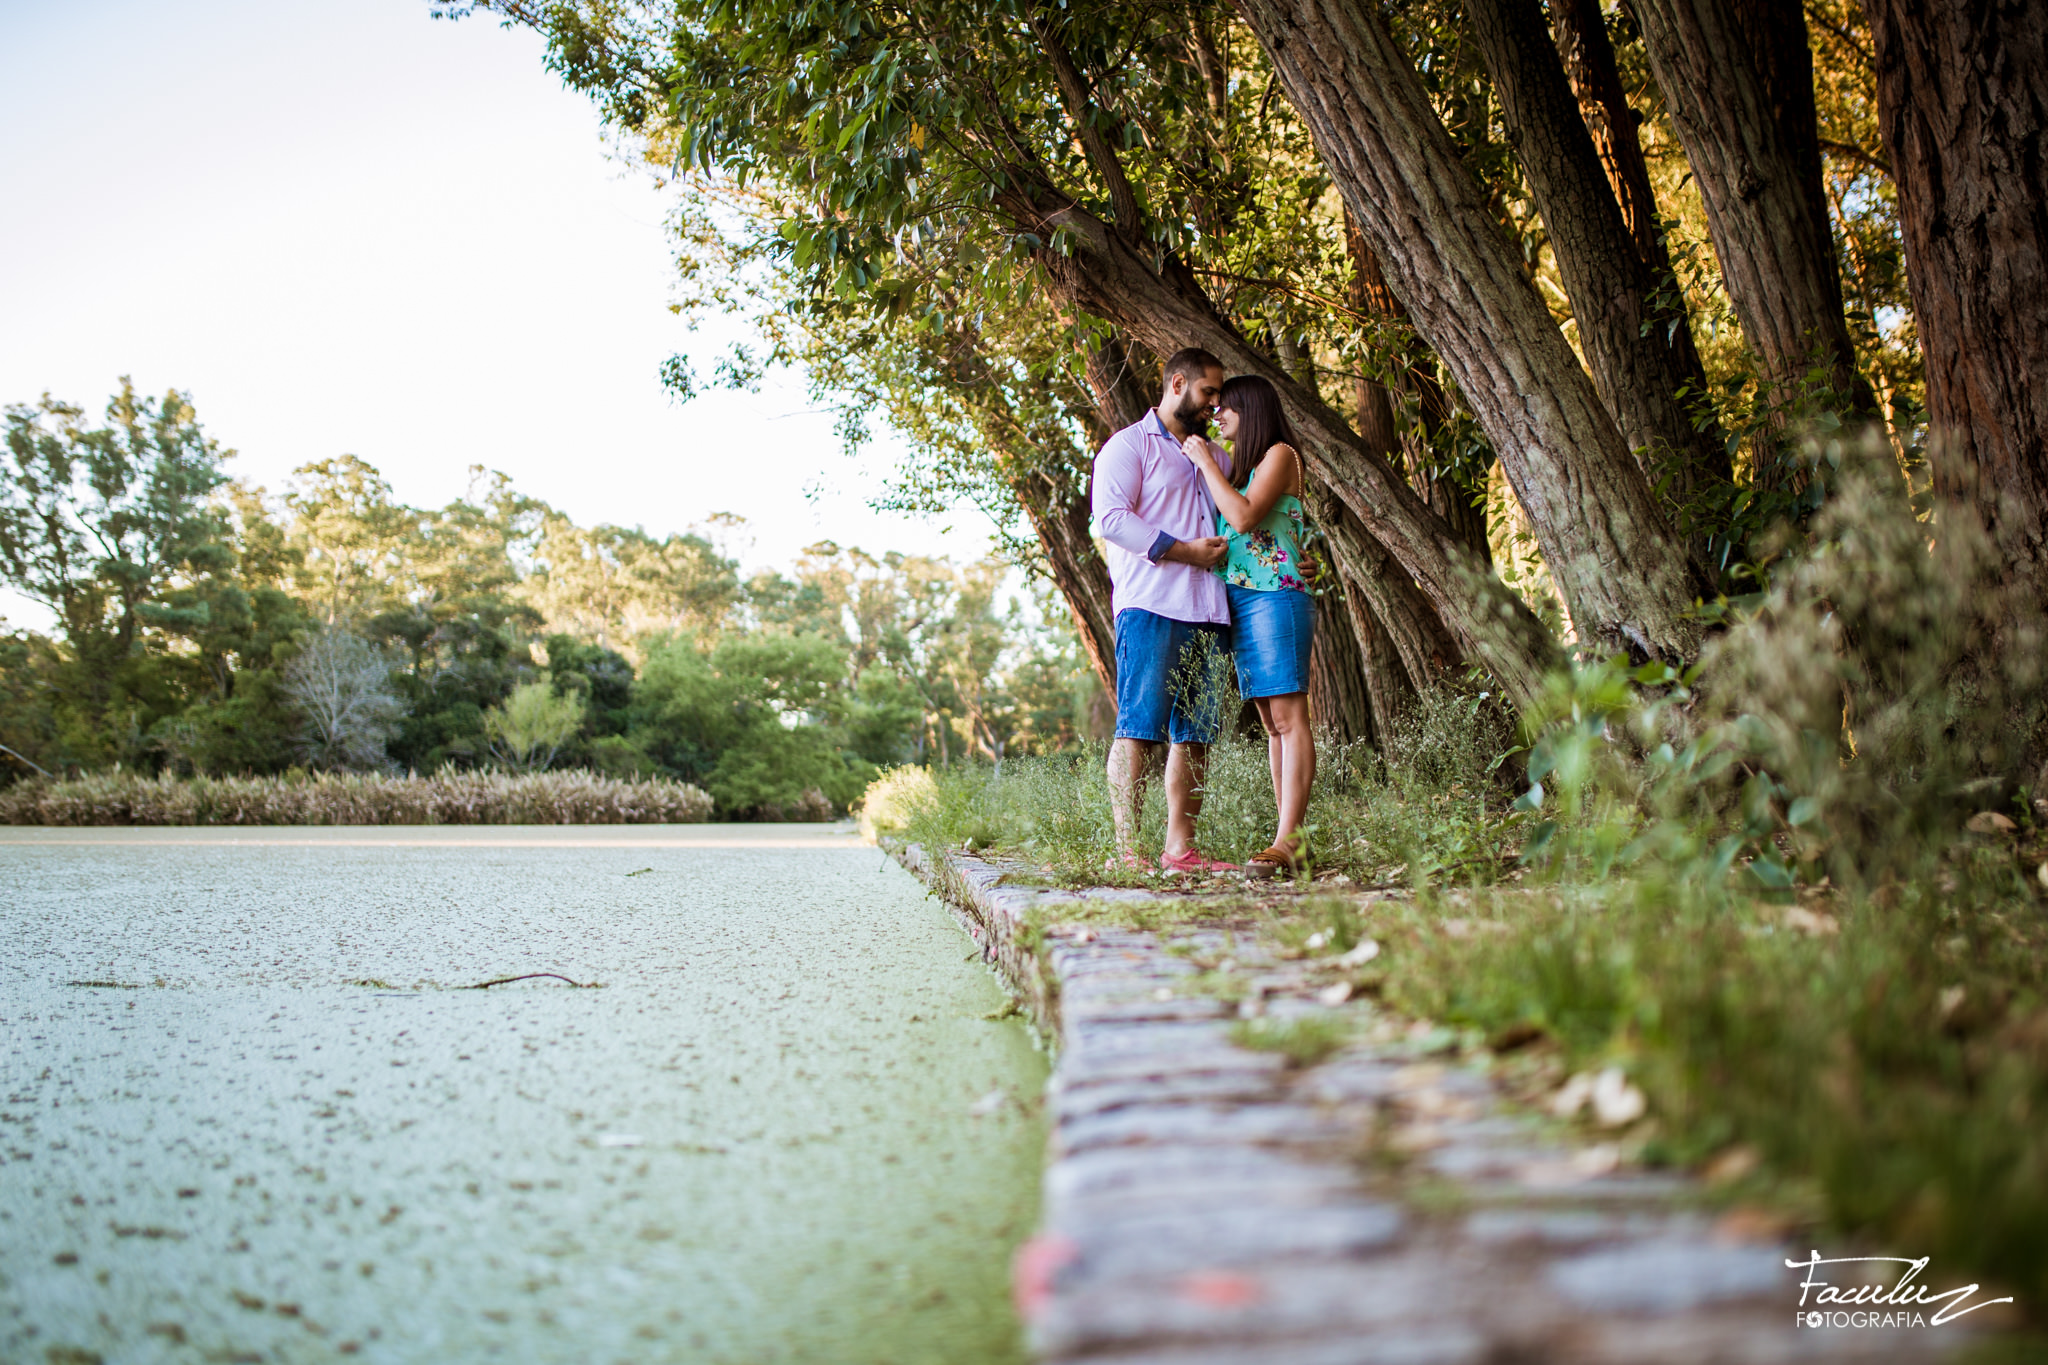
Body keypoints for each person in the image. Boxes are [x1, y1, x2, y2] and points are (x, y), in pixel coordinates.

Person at [1090, 347, 1239, 873]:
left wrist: (1295, 561)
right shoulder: (1128, 446)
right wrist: (1183, 551)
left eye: (1219, 395)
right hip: (1151, 606)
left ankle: (1180, 850)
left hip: (1211, 610)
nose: (1214, 404)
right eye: (1208, 392)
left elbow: (1240, 524)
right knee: (1139, 729)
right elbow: (1110, 519)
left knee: (1196, 734)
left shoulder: (1216, 458)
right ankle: (1128, 851)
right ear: (1178, 384)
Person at [1180, 374, 1316, 877]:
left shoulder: (1280, 453)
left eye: (1226, 408)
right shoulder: (1243, 469)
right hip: (1243, 602)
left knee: (1289, 717)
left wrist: (1202, 460)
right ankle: (1287, 841)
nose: (1217, 416)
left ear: (1251, 408)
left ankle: (1289, 840)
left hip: (1276, 599)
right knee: (1272, 724)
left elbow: (1242, 519)